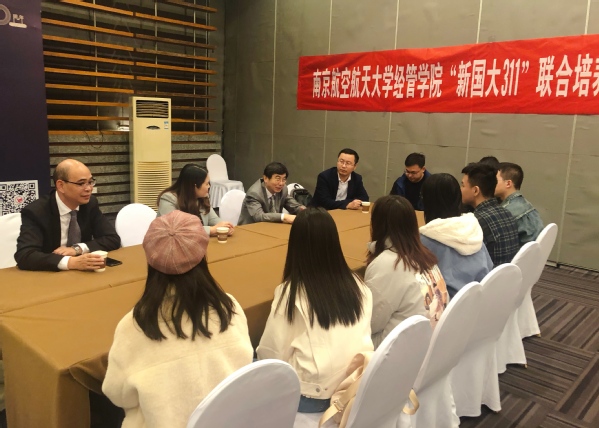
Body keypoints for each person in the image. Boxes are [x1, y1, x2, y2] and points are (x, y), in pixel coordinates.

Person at [103, 211, 253, 428]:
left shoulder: (135, 324)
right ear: (202, 254)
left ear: (150, 258)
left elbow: (118, 394)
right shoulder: (229, 307)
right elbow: (245, 363)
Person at [257, 207, 373, 413]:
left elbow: (271, 355)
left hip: (314, 396)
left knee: (251, 361)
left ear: (295, 246)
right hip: (355, 383)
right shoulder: (358, 285)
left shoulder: (291, 293)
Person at [365, 195, 446, 347]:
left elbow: (369, 322)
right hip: (432, 343)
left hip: (399, 350)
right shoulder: (426, 258)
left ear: (377, 224)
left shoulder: (387, 264)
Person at [14, 159, 120, 271]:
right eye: (81, 183)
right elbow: (25, 255)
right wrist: (70, 262)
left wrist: (77, 249)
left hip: (83, 272)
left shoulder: (90, 204)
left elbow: (112, 239)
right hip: (49, 273)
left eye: (90, 182)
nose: (89, 189)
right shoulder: (36, 211)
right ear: (61, 186)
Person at [420, 173, 493, 298]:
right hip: (482, 297)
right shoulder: (473, 227)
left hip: (448, 303)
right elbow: (489, 267)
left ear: (427, 201)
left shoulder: (426, 239)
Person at [461, 163, 519, 266]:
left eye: (463, 185)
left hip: (488, 274)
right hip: (507, 274)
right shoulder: (507, 212)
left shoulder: (476, 221)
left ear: (475, 190)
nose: (460, 189)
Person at [157, 163, 234, 236]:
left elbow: (214, 220)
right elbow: (175, 229)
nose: (209, 186)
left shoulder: (202, 198)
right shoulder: (168, 199)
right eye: (207, 184)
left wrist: (224, 227)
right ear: (195, 186)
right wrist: (211, 230)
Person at [238, 162, 304, 225]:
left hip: (272, 227)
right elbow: (259, 217)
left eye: (284, 179)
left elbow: (293, 206)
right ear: (265, 178)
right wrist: (283, 217)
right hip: (250, 228)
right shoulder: (254, 193)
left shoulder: (283, 189)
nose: (281, 183)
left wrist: (305, 211)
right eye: (277, 179)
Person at [495, 162, 544, 247]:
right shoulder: (526, 205)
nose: (490, 184)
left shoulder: (506, 212)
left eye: (494, 180)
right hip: (534, 254)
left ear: (508, 183)